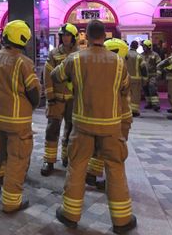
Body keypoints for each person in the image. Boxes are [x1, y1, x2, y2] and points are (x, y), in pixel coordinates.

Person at [52, 20, 137, 234]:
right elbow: (125, 88)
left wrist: (74, 85)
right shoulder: (118, 62)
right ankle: (122, 220)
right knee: (116, 169)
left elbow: (55, 76)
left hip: (82, 125)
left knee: (77, 168)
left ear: (86, 36)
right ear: (104, 37)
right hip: (111, 127)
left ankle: (70, 215)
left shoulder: (75, 59)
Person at [0, 20, 40, 213]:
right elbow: (34, 93)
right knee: (17, 158)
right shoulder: (24, 62)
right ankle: (12, 202)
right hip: (18, 121)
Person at [85, 38, 134, 192]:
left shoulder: (99, 69)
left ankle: (92, 173)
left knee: (100, 147)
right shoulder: (120, 69)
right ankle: (111, 181)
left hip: (103, 115)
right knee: (115, 152)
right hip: (119, 117)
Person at [41, 23, 79, 176]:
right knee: (52, 130)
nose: (65, 38)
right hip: (56, 100)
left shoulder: (79, 54)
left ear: (74, 37)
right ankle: (49, 161)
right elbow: (47, 76)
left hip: (72, 100)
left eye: (68, 35)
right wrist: (50, 97)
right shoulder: (53, 53)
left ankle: (66, 157)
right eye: (63, 35)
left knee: (70, 131)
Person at [125, 40, 147, 117]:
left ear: (130, 45)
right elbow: (143, 68)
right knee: (136, 94)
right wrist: (145, 79)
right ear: (137, 47)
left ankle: (127, 109)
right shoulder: (139, 56)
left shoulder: (125, 54)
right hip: (136, 78)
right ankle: (134, 110)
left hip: (126, 78)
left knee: (127, 94)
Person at [141, 40, 162, 111]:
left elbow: (159, 64)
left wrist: (158, 74)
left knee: (152, 88)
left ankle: (155, 104)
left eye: (144, 46)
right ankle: (149, 103)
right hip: (144, 76)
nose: (143, 48)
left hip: (153, 75)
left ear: (148, 47)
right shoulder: (141, 55)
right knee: (145, 89)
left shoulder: (155, 55)